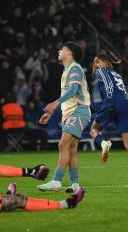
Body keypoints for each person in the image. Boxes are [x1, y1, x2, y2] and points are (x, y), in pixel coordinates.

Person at [37, 41, 91, 192]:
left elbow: (73, 91)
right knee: (72, 149)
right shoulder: (67, 70)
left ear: (69, 53)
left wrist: (54, 104)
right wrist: (53, 112)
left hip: (79, 111)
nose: (59, 51)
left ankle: (56, 181)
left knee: (63, 145)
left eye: (62, 49)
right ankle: (75, 185)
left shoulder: (74, 69)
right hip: (72, 112)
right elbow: (69, 97)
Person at [89, 53, 128, 183]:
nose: (95, 65)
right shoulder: (117, 75)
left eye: (97, 62)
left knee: (93, 130)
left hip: (112, 102)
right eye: (94, 63)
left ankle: (104, 143)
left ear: (106, 63)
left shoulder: (101, 72)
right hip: (126, 104)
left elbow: (106, 87)